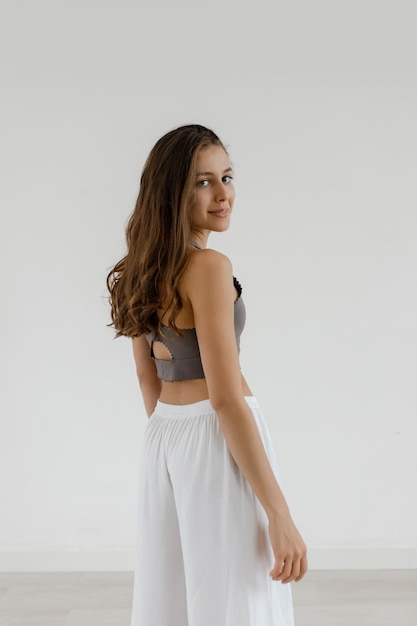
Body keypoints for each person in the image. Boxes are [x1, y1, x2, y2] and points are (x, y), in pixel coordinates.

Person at [107, 124, 307, 626]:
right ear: (173, 191)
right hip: (221, 440)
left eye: (227, 177)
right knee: (236, 599)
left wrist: (178, 438)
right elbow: (224, 398)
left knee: (173, 596)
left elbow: (146, 377)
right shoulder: (210, 267)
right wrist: (280, 514)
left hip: (164, 440)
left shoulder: (139, 268)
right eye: (203, 182)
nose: (223, 194)